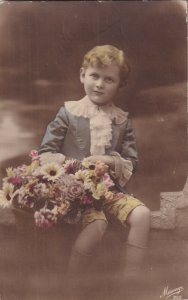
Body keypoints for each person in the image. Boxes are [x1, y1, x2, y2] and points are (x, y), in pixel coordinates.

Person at [38, 45, 150, 286]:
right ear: (82, 75)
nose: (99, 84)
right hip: (78, 194)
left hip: (109, 190)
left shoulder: (121, 119)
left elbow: (132, 162)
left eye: (109, 79)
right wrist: (72, 167)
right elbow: (46, 152)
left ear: (119, 85)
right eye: (94, 76)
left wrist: (111, 160)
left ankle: (130, 285)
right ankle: (71, 287)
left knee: (142, 214)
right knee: (95, 226)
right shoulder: (69, 113)